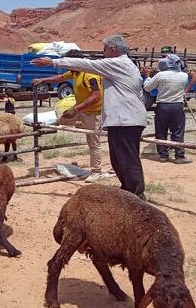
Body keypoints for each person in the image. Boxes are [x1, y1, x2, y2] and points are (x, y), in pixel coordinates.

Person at [32, 35, 147, 199]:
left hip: (126, 118)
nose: (103, 52)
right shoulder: (122, 64)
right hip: (122, 118)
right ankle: (127, 192)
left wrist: (53, 62)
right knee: (119, 158)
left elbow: (88, 64)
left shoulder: (118, 63)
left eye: (105, 49)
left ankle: (137, 195)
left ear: (113, 50)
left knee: (127, 158)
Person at [33, 69, 107, 183]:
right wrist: (42, 80)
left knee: (93, 141)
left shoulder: (90, 76)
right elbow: (60, 78)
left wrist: (76, 109)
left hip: (92, 113)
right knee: (61, 120)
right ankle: (81, 124)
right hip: (80, 109)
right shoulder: (74, 72)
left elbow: (96, 96)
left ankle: (96, 171)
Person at [143, 53, 193, 164]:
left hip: (163, 106)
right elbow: (193, 77)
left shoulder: (161, 75)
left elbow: (147, 88)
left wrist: (147, 76)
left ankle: (163, 155)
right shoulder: (183, 76)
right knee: (178, 131)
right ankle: (179, 156)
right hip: (177, 105)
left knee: (161, 131)